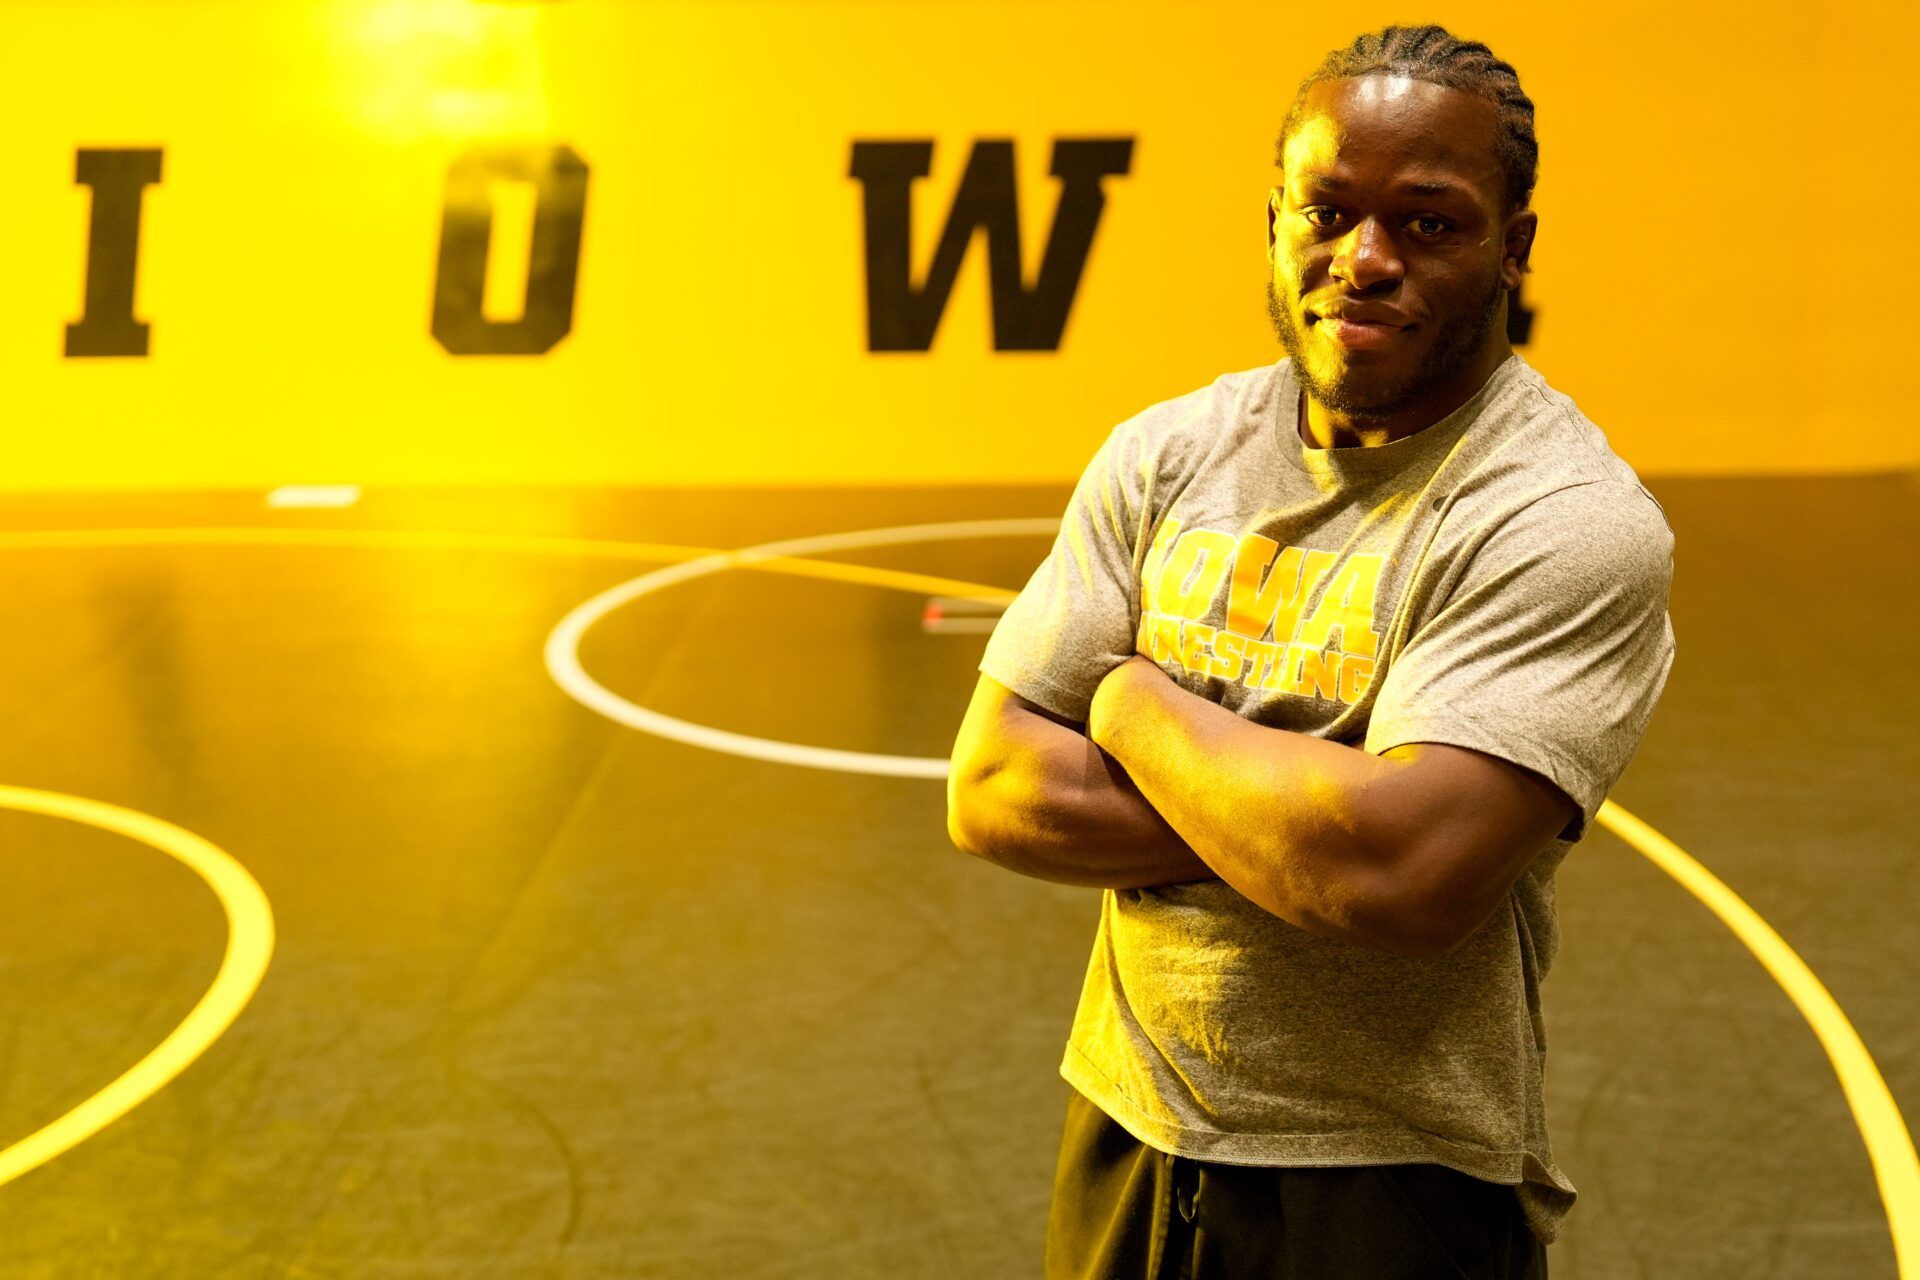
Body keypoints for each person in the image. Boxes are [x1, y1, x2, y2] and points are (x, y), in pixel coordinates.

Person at [946, 22, 1677, 1280]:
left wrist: (1124, 699)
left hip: (1395, 1177)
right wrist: (1307, 806)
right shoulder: (1167, 455)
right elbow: (993, 786)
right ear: (1272, 219)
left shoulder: (1562, 516)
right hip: (1130, 1130)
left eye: (1429, 222)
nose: (1366, 260)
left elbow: (1398, 876)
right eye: (1327, 211)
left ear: (1514, 247)